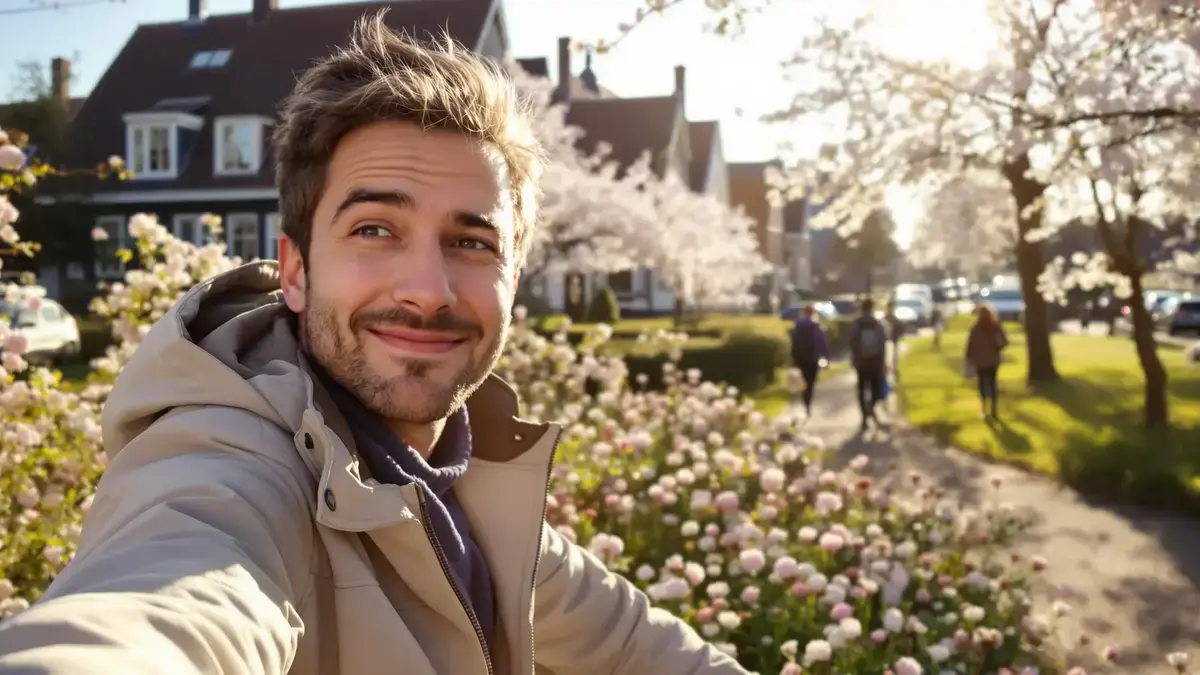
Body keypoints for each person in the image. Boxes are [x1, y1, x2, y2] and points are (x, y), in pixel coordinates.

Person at [0, 14, 747, 675]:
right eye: (375, 229)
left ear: (514, 281)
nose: (428, 289)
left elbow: (628, 642)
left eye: (471, 240)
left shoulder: (458, 482)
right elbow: (169, 604)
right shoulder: (231, 466)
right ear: (295, 270)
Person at [848, 298, 889, 431]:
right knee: (875, 389)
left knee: (861, 389)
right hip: (875, 361)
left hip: (861, 362)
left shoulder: (856, 324)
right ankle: (871, 407)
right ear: (872, 308)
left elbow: (852, 342)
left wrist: (855, 358)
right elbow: (883, 344)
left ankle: (864, 418)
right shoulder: (878, 324)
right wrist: (883, 362)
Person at [966, 303, 1009, 420]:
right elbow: (1004, 342)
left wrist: (969, 358)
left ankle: (984, 408)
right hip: (993, 360)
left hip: (980, 361)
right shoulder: (995, 327)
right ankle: (994, 409)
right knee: (992, 383)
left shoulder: (975, 329)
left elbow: (970, 345)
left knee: (982, 384)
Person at [789, 304, 831, 416]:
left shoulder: (797, 327)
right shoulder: (817, 328)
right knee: (811, 382)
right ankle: (808, 402)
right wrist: (826, 358)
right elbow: (823, 344)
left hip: (801, 358)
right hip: (813, 358)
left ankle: (805, 399)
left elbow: (793, 344)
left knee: (803, 381)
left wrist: (793, 358)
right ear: (813, 313)